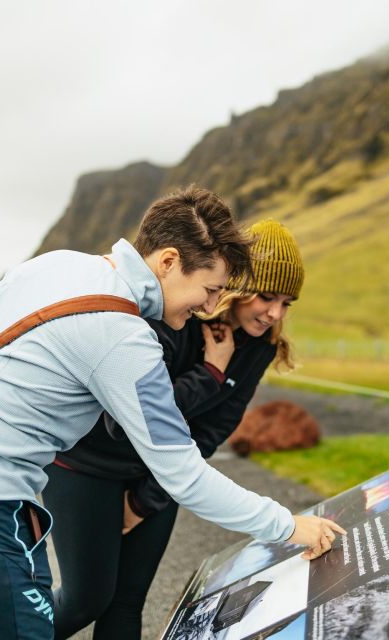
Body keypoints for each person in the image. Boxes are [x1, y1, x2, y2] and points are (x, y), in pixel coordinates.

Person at [0, 188, 343, 640]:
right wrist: (287, 526)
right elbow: (183, 474)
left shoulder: (55, 265)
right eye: (210, 289)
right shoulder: (123, 335)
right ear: (169, 261)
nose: (211, 306)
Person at [45, 219, 306, 639]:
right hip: (88, 465)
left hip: (162, 475)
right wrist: (211, 372)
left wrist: (145, 502)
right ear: (234, 288)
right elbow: (137, 415)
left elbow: (211, 430)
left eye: (287, 302)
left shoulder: (260, 347)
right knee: (85, 599)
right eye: (266, 296)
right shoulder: (175, 315)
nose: (275, 313)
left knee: (128, 602)